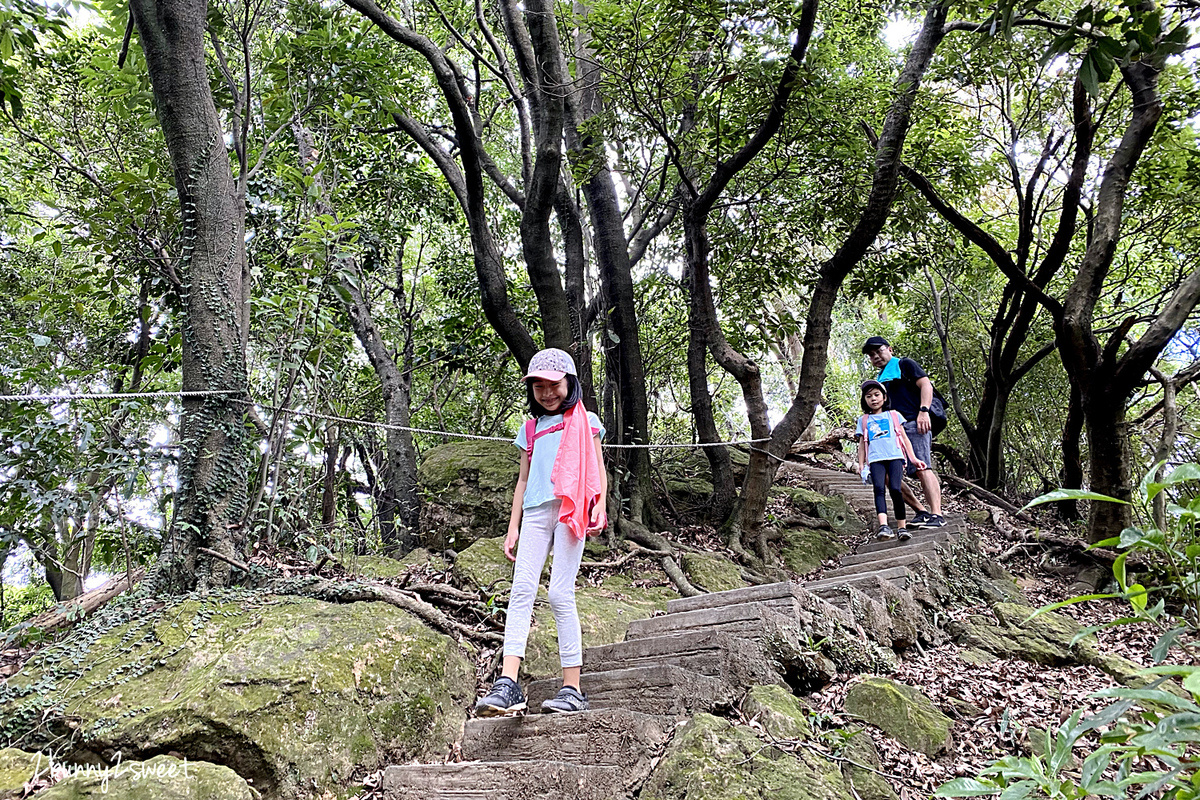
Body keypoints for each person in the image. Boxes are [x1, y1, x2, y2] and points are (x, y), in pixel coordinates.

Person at [474, 348, 608, 717]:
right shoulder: (530, 428)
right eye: (538, 387)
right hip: (534, 512)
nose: (547, 393)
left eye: (554, 384)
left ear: (570, 383)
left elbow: (598, 468)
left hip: (571, 507)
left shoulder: (587, 421)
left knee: (559, 594)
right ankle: (508, 683)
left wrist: (600, 504)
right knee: (520, 591)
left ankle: (572, 688)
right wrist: (512, 525)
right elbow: (521, 480)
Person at [861, 336, 946, 528]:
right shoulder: (879, 379)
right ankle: (921, 511)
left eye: (878, 351)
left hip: (914, 423)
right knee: (888, 475)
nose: (875, 356)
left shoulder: (903, 364)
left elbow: (925, 384)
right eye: (871, 355)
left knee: (922, 466)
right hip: (892, 431)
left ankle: (937, 515)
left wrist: (923, 411)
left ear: (889, 349)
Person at [856, 380, 924, 541]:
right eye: (869, 396)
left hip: (895, 457)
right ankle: (883, 526)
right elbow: (862, 445)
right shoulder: (863, 420)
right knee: (878, 489)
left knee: (895, 489)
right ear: (864, 400)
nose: (873, 399)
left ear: (884, 397)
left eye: (876, 395)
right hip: (875, 459)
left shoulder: (894, 415)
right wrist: (860, 465)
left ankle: (902, 527)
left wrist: (913, 459)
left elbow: (904, 439)